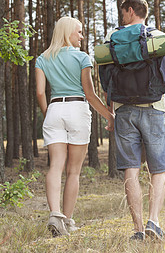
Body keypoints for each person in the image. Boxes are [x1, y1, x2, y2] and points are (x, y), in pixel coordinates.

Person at [101, 0, 165, 241]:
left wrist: (111, 111)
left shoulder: (111, 39)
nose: (122, 18)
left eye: (123, 12)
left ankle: (136, 230)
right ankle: (153, 221)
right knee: (158, 169)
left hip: (124, 110)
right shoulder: (157, 37)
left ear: (131, 10)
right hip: (155, 108)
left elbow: (106, 82)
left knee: (130, 170)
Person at [35, 16, 115, 237]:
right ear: (67, 32)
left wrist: (48, 113)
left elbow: (41, 92)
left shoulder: (43, 58)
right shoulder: (82, 57)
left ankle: (55, 214)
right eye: (78, 32)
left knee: (55, 167)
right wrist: (109, 116)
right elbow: (90, 94)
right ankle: (67, 222)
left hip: (54, 110)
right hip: (77, 109)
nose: (81, 36)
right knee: (73, 171)